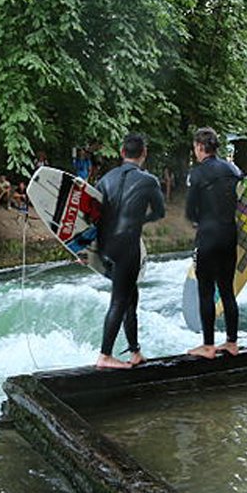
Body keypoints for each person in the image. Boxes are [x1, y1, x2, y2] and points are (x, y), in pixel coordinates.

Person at [94, 133, 165, 369]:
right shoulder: (149, 181)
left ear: (122, 152)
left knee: (130, 296)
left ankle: (135, 351)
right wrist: (138, 221)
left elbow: (92, 215)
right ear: (143, 154)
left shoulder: (105, 180)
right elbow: (159, 212)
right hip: (127, 247)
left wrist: (88, 250)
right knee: (120, 300)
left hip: (105, 247)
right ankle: (105, 355)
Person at [184, 127, 243, 359]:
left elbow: (190, 211)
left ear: (200, 147)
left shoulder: (197, 173)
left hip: (208, 236)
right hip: (230, 234)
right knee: (227, 290)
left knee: (206, 291)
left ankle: (208, 346)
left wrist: (199, 221)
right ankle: (232, 342)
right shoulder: (233, 169)